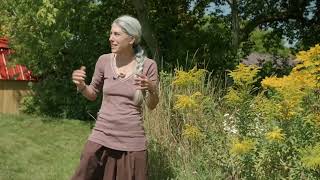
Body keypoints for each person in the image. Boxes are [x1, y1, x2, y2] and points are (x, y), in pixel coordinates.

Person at [71, 15, 159, 180]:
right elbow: (92, 94)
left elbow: (152, 105)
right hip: (101, 135)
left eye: (116, 34)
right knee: (84, 172)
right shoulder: (103, 61)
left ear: (131, 39)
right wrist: (81, 86)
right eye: (111, 34)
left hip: (132, 141)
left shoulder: (148, 65)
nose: (111, 38)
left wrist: (153, 89)